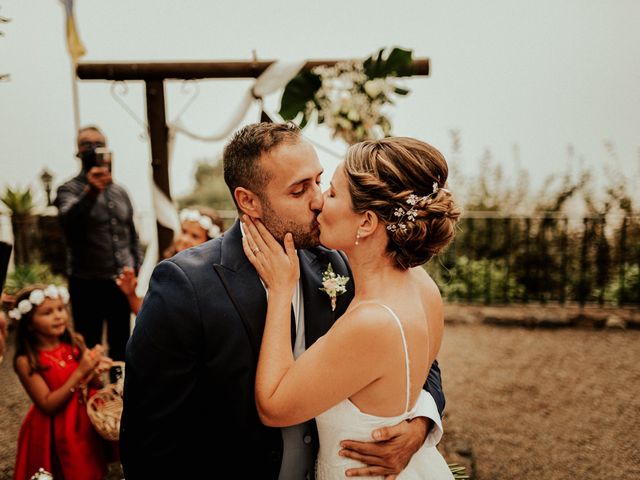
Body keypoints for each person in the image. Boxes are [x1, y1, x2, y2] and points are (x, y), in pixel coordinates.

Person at [121, 123, 446, 479]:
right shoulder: (185, 285)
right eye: (298, 190)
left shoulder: (343, 257)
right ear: (248, 201)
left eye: (319, 182)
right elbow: (149, 437)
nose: (318, 199)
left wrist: (419, 425)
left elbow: (411, 349)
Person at [243, 137, 461, 478]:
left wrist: (281, 290)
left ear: (366, 223)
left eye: (330, 192)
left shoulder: (372, 321)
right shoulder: (423, 286)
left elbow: (273, 406)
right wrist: (420, 419)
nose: (318, 202)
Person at [54, 126, 143, 361]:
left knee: (122, 346)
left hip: (119, 284)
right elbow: (68, 222)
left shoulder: (121, 192)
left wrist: (136, 266)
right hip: (86, 283)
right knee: (89, 349)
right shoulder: (68, 189)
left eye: (99, 143)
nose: (93, 148)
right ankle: (91, 394)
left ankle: (118, 394)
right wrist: (91, 192)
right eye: (87, 144)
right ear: (78, 152)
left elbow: (131, 234)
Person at [9, 283, 111, 480]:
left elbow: (93, 385)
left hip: (83, 423)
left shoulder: (75, 342)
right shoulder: (26, 360)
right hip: (55, 430)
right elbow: (47, 404)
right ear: (29, 323)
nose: (58, 316)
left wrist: (94, 371)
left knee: (89, 466)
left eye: (60, 309)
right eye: (47, 313)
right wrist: (81, 371)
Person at [115, 206, 224, 314]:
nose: (184, 239)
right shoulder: (166, 269)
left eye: (195, 236)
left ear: (211, 243)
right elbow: (148, 315)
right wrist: (131, 294)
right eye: (184, 231)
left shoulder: (214, 279)